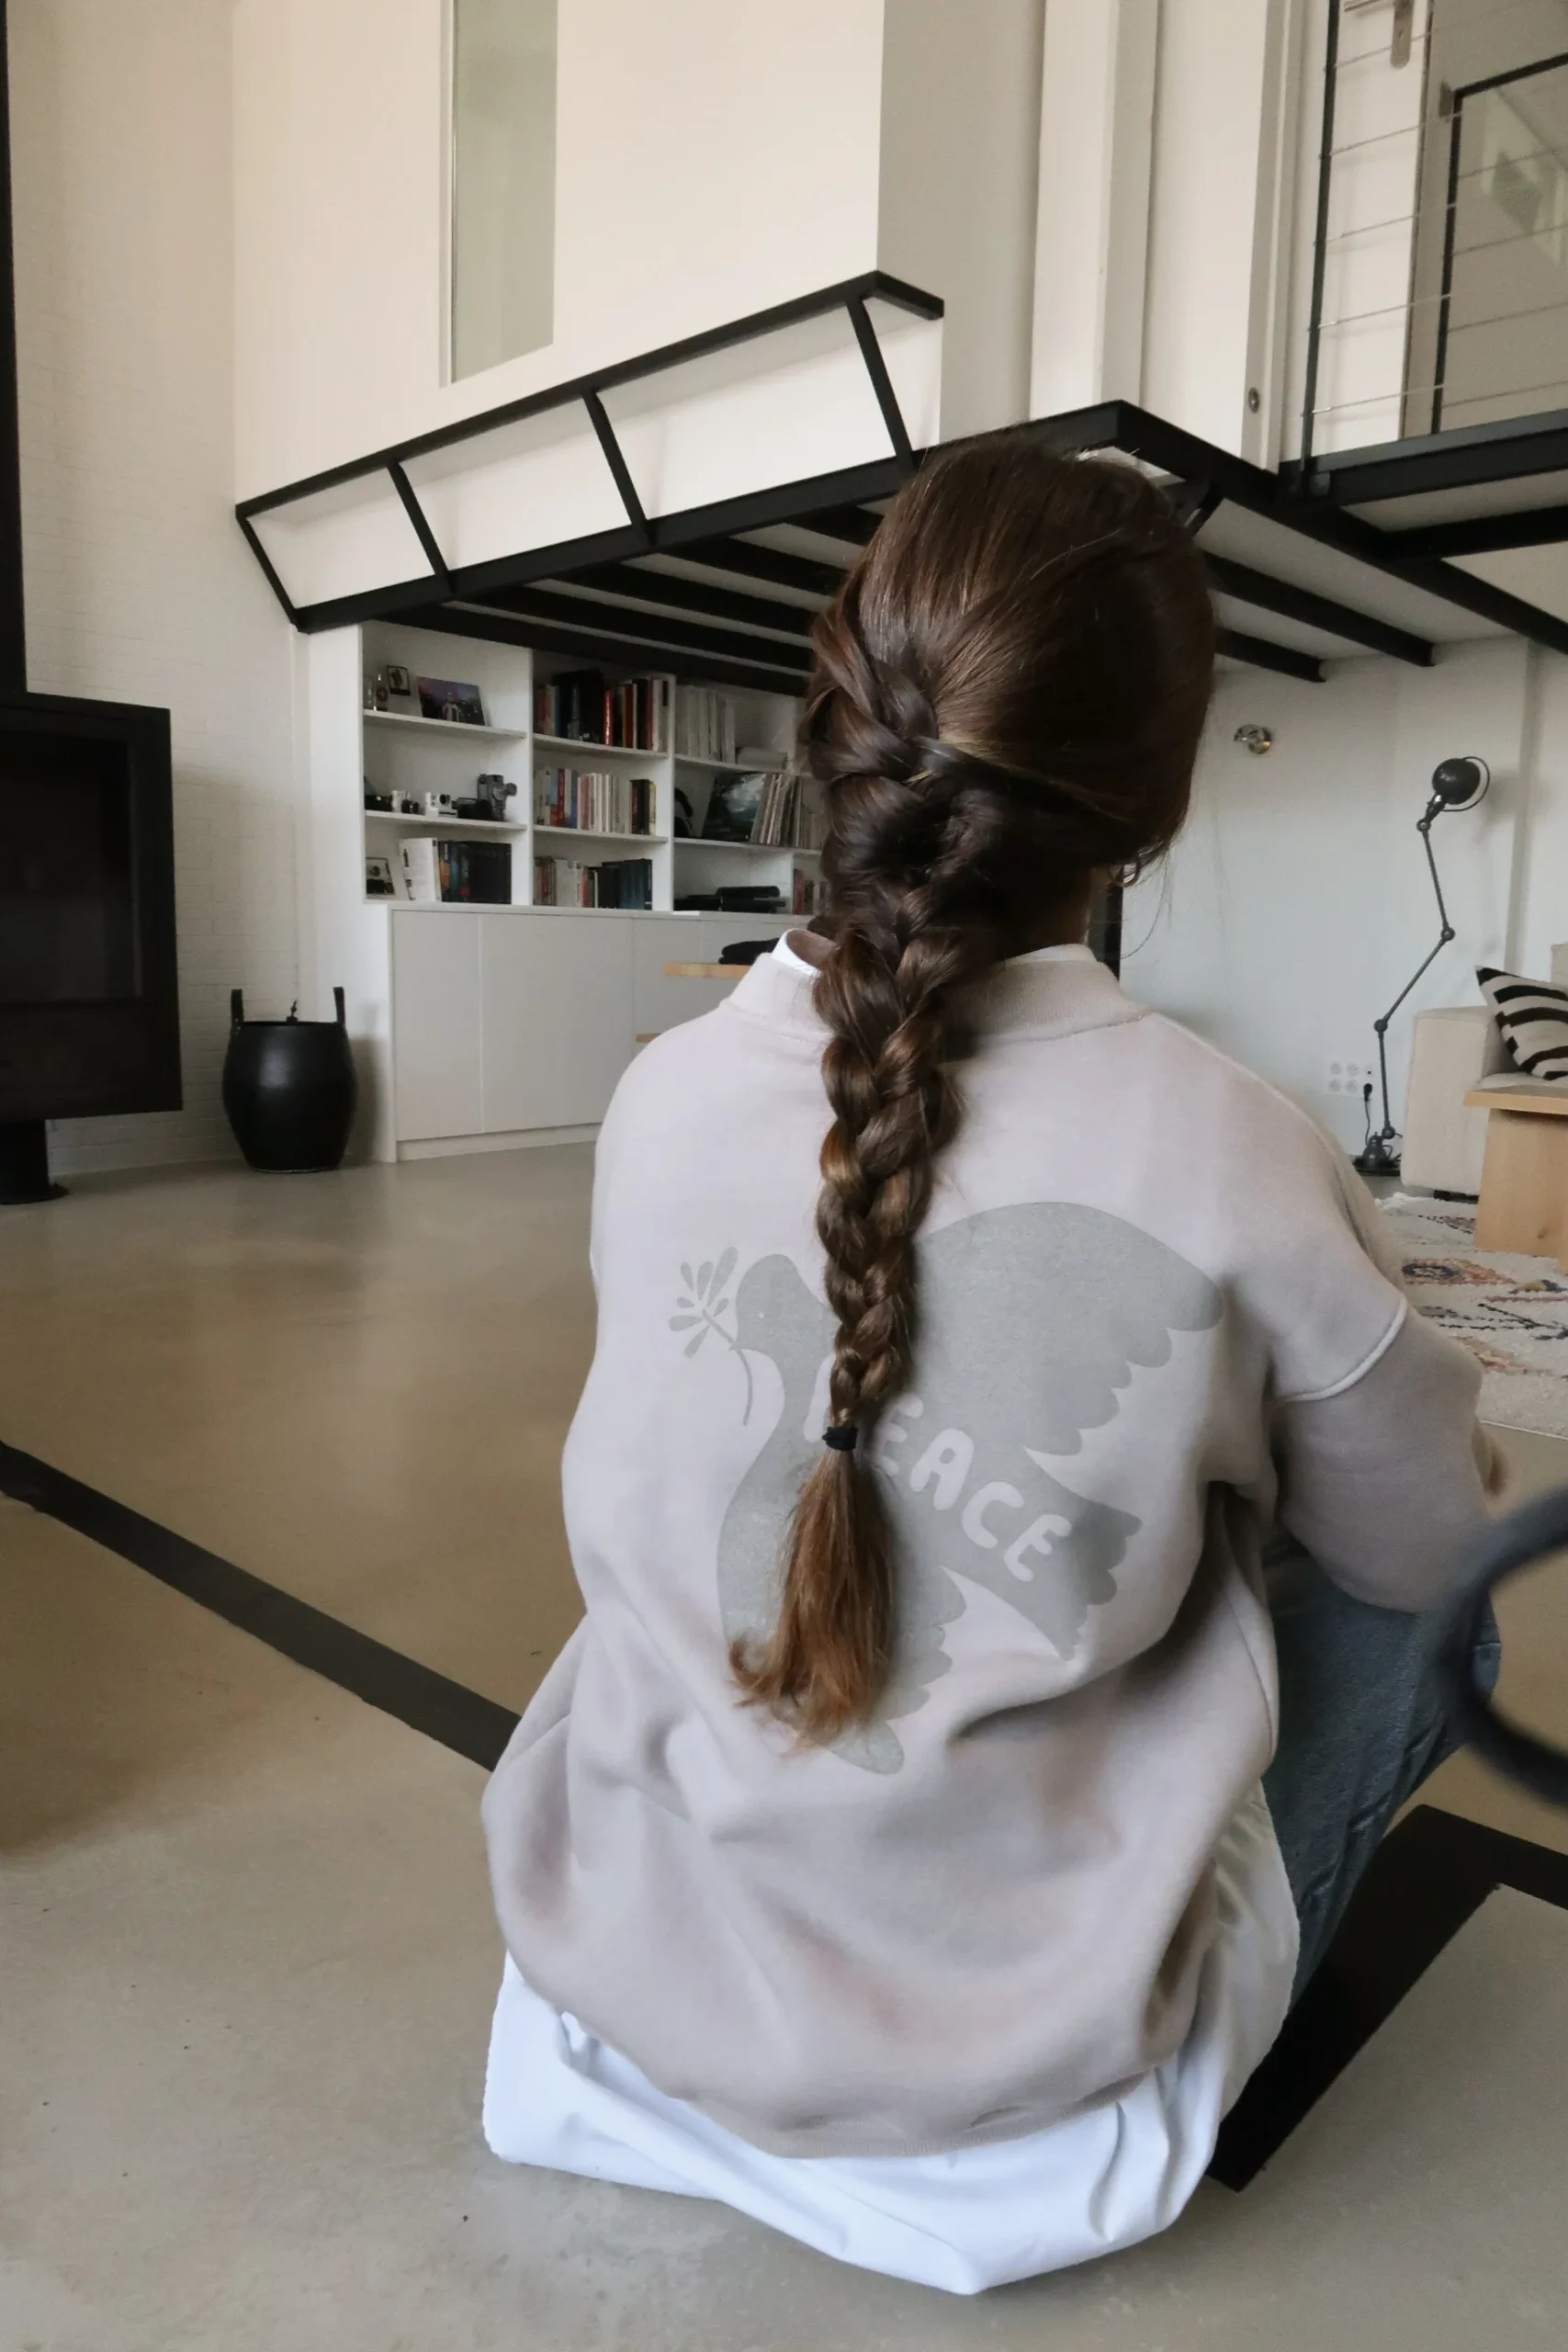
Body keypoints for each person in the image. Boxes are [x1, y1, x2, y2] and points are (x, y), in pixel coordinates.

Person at [480, 435, 1500, 2295]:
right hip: (1029, 2116)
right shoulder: (1234, 1141)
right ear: (1152, 803)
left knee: (718, 1517)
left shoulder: (663, 1090)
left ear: (839, 719)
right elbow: (1430, 1547)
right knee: (1437, 1613)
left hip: (617, 1990)